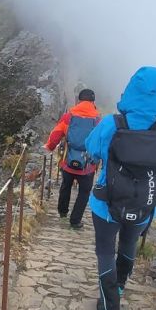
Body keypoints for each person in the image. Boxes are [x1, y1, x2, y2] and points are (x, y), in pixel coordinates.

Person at [84, 67, 156, 310]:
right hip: (143, 205)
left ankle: (110, 308)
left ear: (131, 90)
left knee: (105, 250)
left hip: (106, 204)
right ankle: (120, 287)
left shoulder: (110, 124)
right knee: (128, 246)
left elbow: (92, 149)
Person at [44, 88, 101, 229]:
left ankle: (62, 212)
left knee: (66, 185)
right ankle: (75, 221)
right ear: (93, 101)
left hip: (68, 160)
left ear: (79, 100)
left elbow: (56, 134)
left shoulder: (69, 116)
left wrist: (50, 147)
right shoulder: (98, 120)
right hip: (88, 165)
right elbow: (102, 141)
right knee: (84, 192)